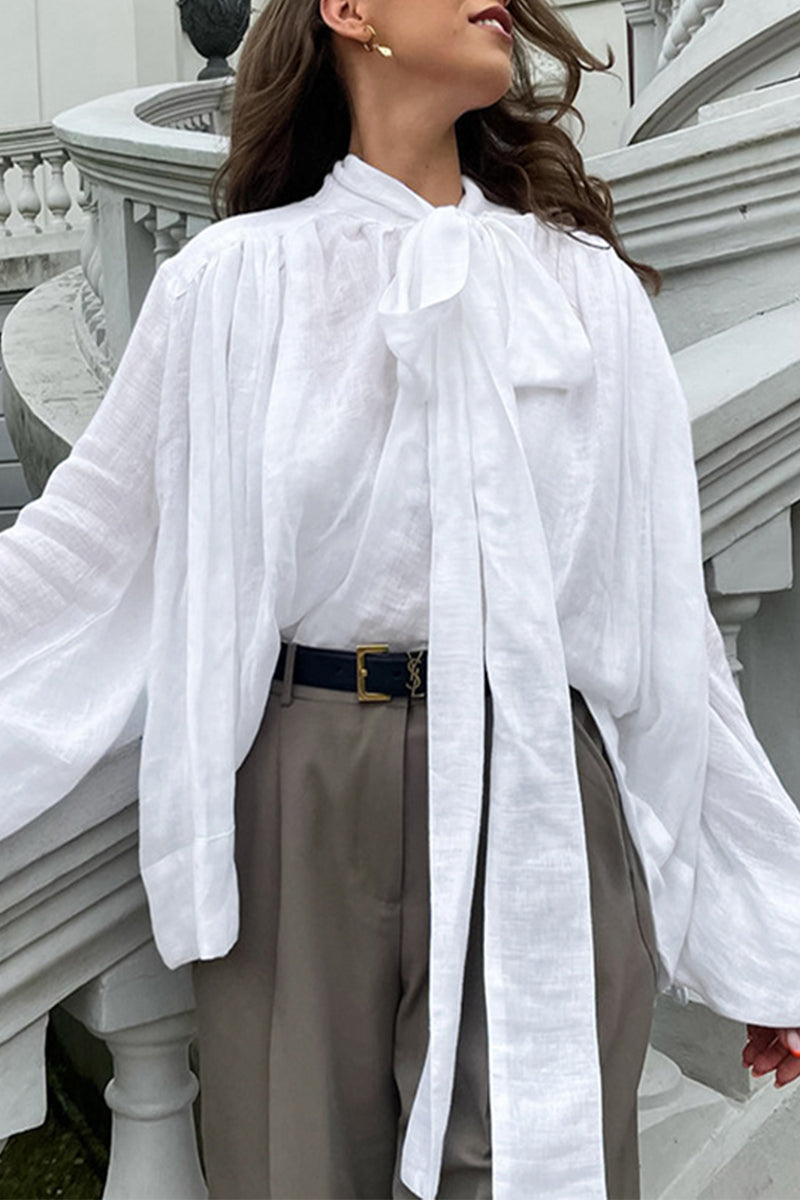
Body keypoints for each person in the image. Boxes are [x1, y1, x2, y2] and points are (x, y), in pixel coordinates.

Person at [1, 0, 800, 1197]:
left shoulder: (584, 292)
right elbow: (84, 560)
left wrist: (765, 938)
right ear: (348, 12)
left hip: (538, 777)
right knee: (293, 1169)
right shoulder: (232, 284)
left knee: (536, 1168)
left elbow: (663, 634)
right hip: (305, 782)